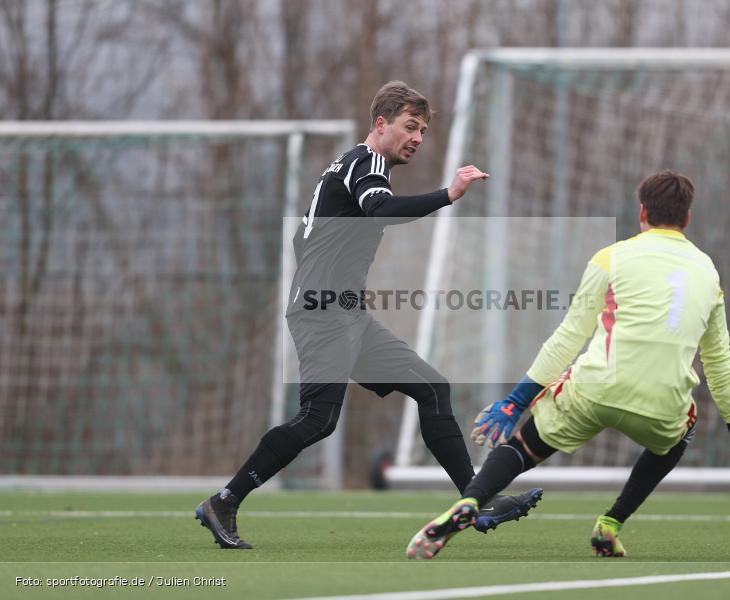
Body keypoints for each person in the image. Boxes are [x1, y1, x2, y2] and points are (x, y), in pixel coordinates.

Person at [196, 81, 541, 550]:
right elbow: (378, 210)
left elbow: (305, 237)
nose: (417, 137)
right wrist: (448, 194)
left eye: (422, 129)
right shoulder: (368, 161)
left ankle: (475, 501)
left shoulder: (348, 166)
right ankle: (225, 501)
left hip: (341, 311)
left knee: (433, 388)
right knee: (318, 420)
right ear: (380, 125)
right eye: (409, 126)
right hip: (325, 311)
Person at [407, 170, 730, 560]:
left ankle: (472, 501)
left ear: (641, 211)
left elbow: (569, 337)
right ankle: (612, 523)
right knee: (682, 432)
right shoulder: (709, 272)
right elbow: (721, 365)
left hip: (593, 389)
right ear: (687, 218)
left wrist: (516, 402)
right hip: (661, 405)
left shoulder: (611, 257)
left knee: (525, 445)